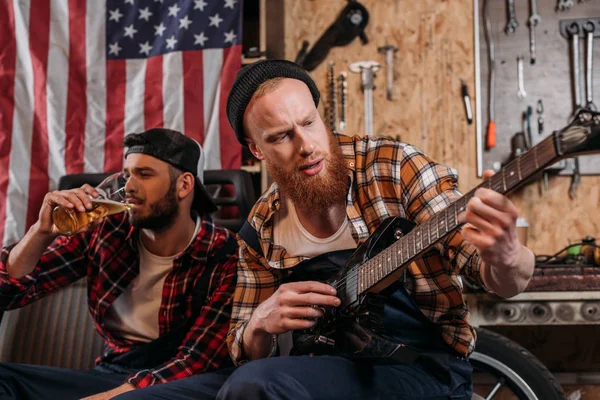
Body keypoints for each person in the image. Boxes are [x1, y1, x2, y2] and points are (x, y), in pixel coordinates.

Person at [114, 60, 535, 400]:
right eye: (281, 136)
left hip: (418, 367)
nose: (306, 145)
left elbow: (499, 278)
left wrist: (508, 256)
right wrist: (261, 322)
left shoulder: (393, 166)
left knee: (257, 386)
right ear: (257, 149)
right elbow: (243, 348)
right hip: (311, 364)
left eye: (310, 122)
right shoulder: (261, 224)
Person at [0, 128, 238, 400]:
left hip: (181, 383)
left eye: (144, 175)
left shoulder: (226, 255)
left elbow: (197, 360)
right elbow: (9, 290)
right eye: (127, 175)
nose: (129, 188)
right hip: (113, 373)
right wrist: (40, 232)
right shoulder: (105, 232)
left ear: (184, 185)